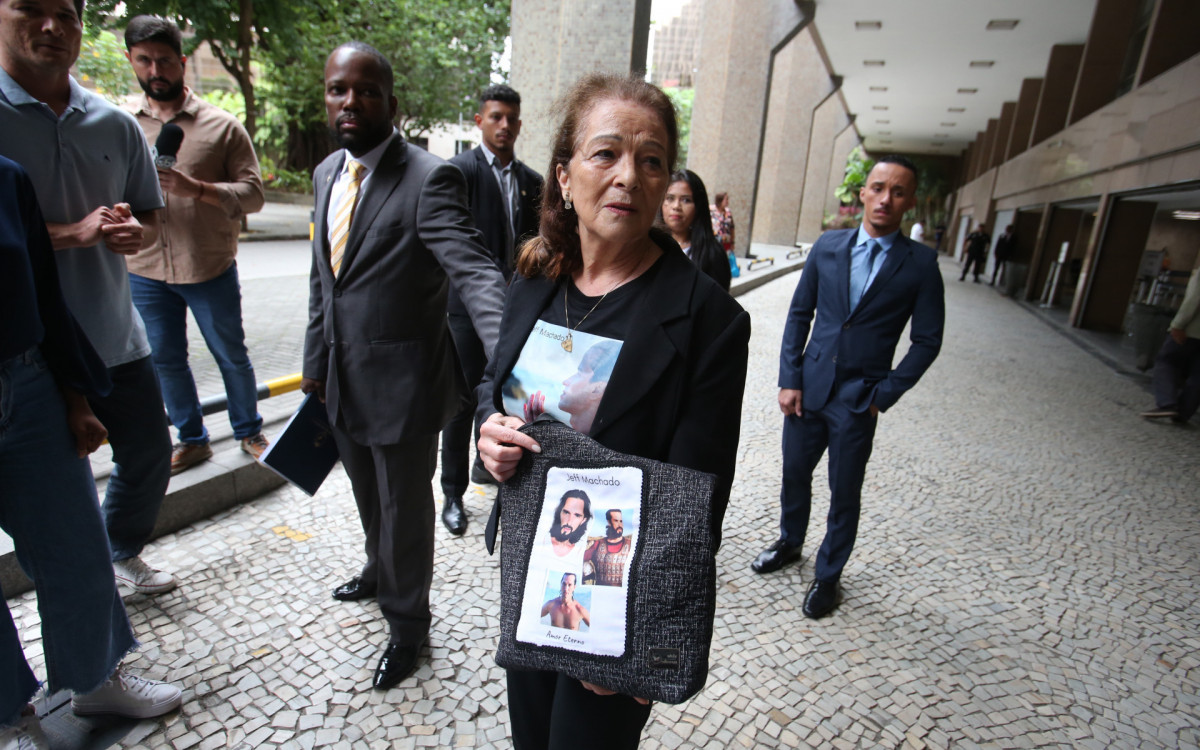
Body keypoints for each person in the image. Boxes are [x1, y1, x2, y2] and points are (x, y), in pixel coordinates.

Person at [476, 72, 751, 750]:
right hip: (530, 570)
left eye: (651, 160)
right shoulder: (535, 277)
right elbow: (494, 388)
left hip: (614, 594)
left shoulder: (708, 320)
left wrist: (636, 627)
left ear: (664, 185)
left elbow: (698, 495)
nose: (629, 175)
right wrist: (491, 434)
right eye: (607, 154)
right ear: (565, 176)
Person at [301, 42, 506, 691]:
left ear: (391, 102)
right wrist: (313, 368)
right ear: (326, 97)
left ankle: (407, 626)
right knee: (366, 496)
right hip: (341, 380)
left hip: (405, 387)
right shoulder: (326, 172)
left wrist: (512, 350)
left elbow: (474, 270)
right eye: (339, 90)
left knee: (404, 509)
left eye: (365, 91)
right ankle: (374, 568)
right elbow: (322, 281)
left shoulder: (428, 178)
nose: (350, 102)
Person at [0, 155, 182, 749]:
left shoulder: (7, 177)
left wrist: (73, 395)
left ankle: (95, 677)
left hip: (25, 379)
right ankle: (9, 715)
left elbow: (43, 295)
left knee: (74, 542)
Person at [0, 0, 176, 596]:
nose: (51, 27)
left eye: (67, 13)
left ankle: (115, 553)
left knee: (151, 454)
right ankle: (80, 611)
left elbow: (147, 215)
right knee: (56, 498)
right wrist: (70, 234)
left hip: (112, 335)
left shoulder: (115, 123)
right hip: (26, 353)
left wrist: (134, 232)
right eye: (29, 8)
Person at [752, 155, 945, 620]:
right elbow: (800, 314)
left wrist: (886, 393)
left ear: (910, 202)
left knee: (844, 491)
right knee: (795, 473)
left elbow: (927, 340)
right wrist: (789, 378)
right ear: (862, 193)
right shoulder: (828, 247)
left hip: (861, 398)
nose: (885, 198)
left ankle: (829, 577)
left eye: (898, 191)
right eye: (878, 188)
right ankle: (790, 542)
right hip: (809, 388)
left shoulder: (920, 264)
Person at [122, 16, 269, 473]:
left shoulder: (222, 127)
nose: (155, 70)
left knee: (231, 354)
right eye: (144, 61)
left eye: (164, 60)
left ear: (182, 62)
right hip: (144, 269)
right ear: (131, 62)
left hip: (209, 267)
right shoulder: (121, 128)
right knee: (165, 360)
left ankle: (248, 430)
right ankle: (191, 438)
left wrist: (197, 189)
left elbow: (255, 195)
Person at [440, 84, 543, 534]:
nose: (504, 125)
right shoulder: (458, 172)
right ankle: (451, 494)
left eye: (511, 119)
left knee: (509, 398)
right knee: (461, 403)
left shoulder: (533, 182)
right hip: (463, 311)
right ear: (479, 120)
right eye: (495, 117)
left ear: (519, 124)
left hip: (516, 314)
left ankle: (507, 487)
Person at [1141, 266, 1200, 424]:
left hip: (1191, 331)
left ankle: (1167, 403)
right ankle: (1183, 412)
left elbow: (1194, 300)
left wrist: (1177, 325)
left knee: (1166, 361)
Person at [661, 169, 730, 290]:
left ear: (698, 206)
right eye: (670, 198)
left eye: (686, 200)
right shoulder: (647, 246)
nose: (676, 206)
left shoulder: (713, 254)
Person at [583, 509, 632, 586]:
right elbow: (580, 559)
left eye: (621, 521)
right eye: (616, 521)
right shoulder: (598, 544)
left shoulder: (630, 545)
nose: (619, 525)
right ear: (608, 522)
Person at [543, 489, 593, 559]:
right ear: (559, 512)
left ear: (583, 520)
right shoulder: (543, 539)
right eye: (566, 512)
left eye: (577, 515)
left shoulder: (580, 552)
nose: (569, 521)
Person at [711, 190, 743, 268]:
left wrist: (732, 242)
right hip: (713, 242)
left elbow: (732, 227)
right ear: (720, 200)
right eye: (726, 199)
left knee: (724, 263)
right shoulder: (711, 210)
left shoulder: (728, 212)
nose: (728, 201)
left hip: (726, 243)